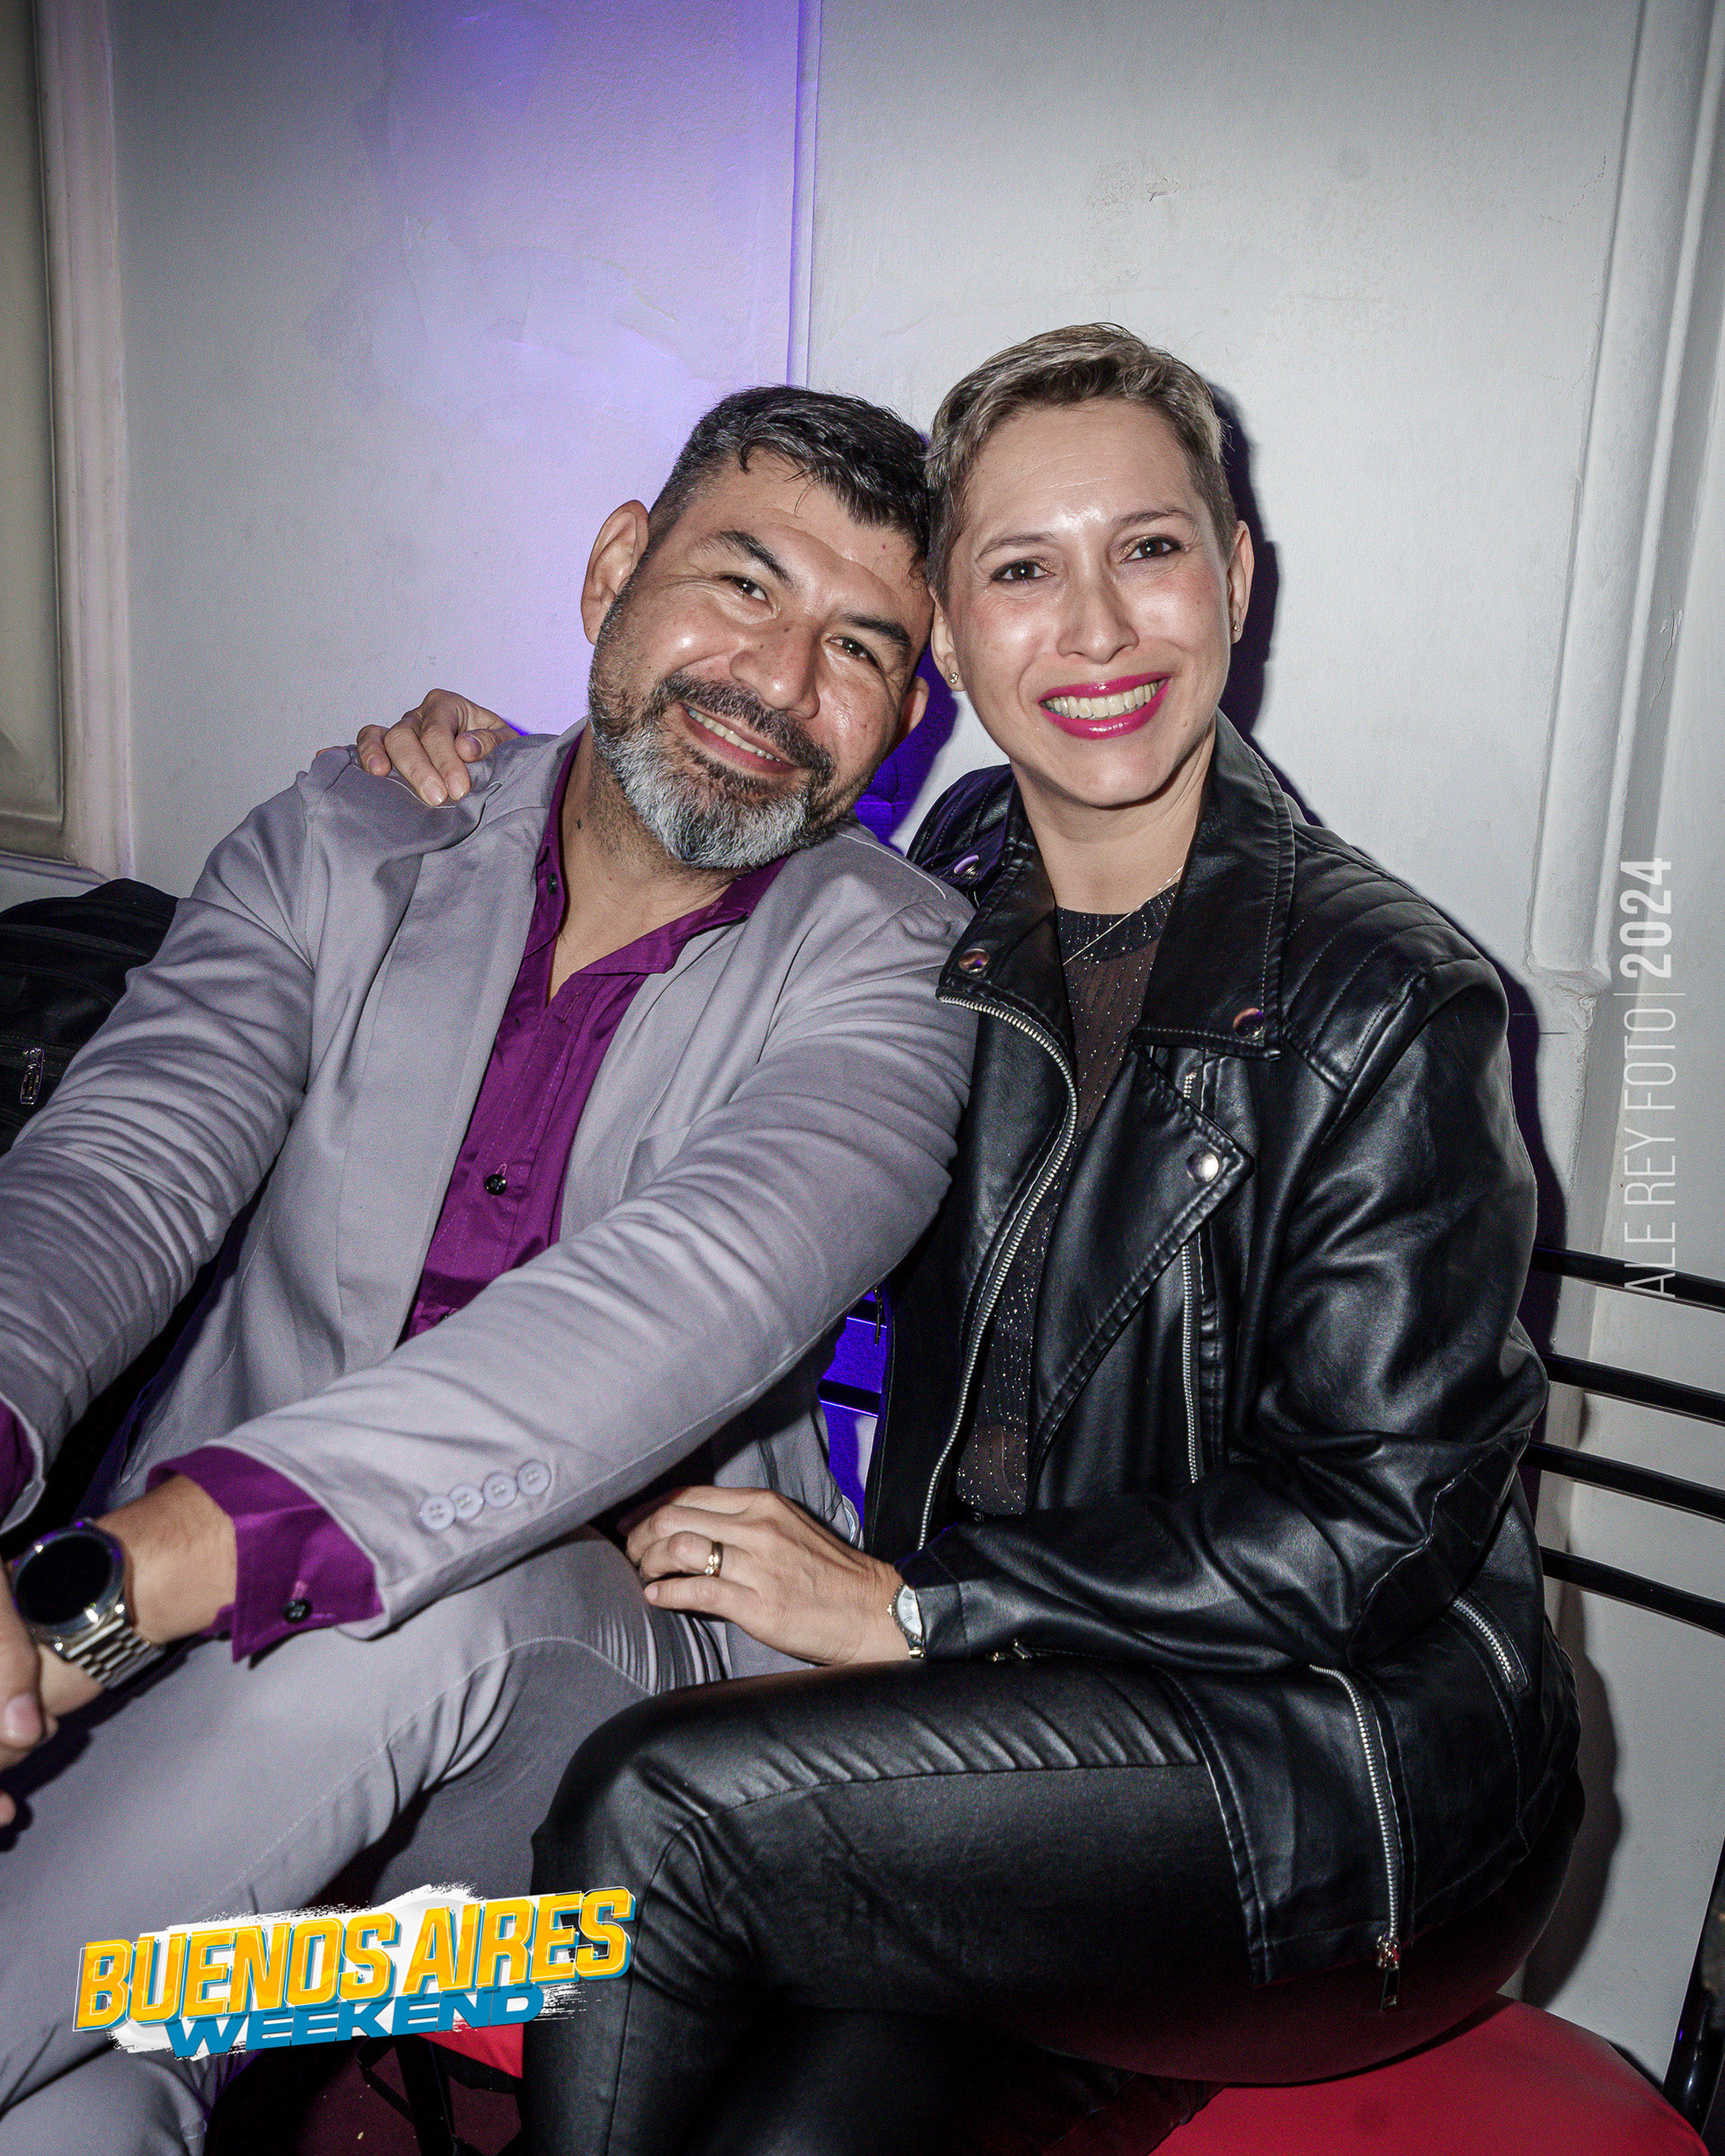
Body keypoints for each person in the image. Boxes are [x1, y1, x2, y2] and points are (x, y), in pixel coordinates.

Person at [389, 325, 1580, 2156]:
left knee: (657, 1810)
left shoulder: (1387, 1000)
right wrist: (487, 777)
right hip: (1021, 1748)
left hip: (1342, 1792)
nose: (1095, 631)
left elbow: (1374, 1526)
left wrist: (917, 1607)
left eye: (1149, 550)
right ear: (947, 630)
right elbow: (698, 849)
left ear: (1234, 574)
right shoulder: (949, 878)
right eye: (1023, 570)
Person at [0, 386, 978, 2152]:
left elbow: (671, 1305)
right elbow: (117, 1167)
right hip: (239, 1878)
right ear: (616, 569)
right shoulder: (357, 833)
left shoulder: (903, 971)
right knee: (80, 2086)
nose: (778, 680)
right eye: (741, 583)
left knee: (424, 1608)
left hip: (571, 1900)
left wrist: (99, 1595)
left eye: (858, 647)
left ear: (903, 718)